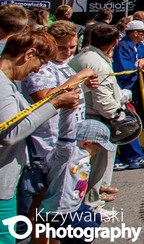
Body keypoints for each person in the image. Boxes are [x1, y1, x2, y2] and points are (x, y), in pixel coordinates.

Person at [1, 31, 81, 231]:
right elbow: (11, 132)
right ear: (29, 54)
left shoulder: (8, 83)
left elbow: (25, 114)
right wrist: (55, 103)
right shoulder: (2, 85)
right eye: (42, 62)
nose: (38, 70)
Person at [18, 22, 99, 217]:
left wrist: (86, 85)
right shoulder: (41, 68)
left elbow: (70, 92)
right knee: (41, 202)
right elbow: (45, 98)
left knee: (59, 202)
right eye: (62, 47)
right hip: (46, 145)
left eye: (72, 47)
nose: (68, 52)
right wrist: (80, 75)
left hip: (68, 140)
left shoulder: (65, 66)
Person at [69, 24, 129, 209]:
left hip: (85, 116)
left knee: (90, 165)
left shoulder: (88, 56)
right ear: (114, 42)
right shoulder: (97, 63)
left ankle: (93, 196)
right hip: (94, 119)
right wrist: (118, 116)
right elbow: (102, 99)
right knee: (92, 166)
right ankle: (91, 204)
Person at [38, 119, 113, 240]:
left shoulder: (83, 156)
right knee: (88, 231)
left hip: (74, 206)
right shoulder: (68, 156)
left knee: (95, 218)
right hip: (59, 212)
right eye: (97, 148)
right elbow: (65, 137)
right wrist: (69, 108)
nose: (96, 152)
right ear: (86, 144)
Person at [111, 21, 144, 171]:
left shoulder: (137, 45)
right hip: (123, 89)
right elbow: (124, 69)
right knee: (125, 122)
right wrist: (137, 68)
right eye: (143, 32)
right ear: (134, 33)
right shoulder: (122, 47)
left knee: (131, 120)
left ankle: (133, 155)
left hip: (134, 89)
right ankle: (132, 156)